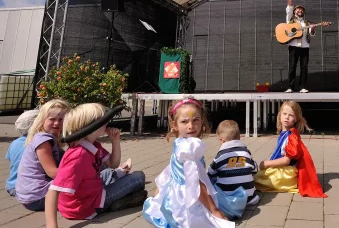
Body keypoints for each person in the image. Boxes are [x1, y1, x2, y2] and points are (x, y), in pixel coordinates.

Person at [45, 103, 146, 226]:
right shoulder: (78, 155)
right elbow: (53, 191)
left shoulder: (93, 145)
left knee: (111, 172)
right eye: (103, 120)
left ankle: (120, 200)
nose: (107, 123)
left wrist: (115, 140)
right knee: (139, 178)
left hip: (90, 191)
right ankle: (117, 203)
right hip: (85, 207)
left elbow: (113, 164)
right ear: (92, 126)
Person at [143, 97, 234, 228]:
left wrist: (160, 192)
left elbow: (171, 169)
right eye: (184, 121)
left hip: (178, 195)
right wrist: (214, 210)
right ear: (174, 125)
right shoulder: (189, 148)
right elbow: (195, 182)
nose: (191, 126)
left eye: (195, 120)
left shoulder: (181, 142)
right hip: (186, 201)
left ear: (202, 122)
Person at [254, 100, 326, 198]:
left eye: (291, 115)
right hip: (284, 170)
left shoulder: (291, 137)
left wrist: (267, 163)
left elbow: (286, 160)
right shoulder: (285, 134)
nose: (287, 117)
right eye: (284, 114)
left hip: (287, 172)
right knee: (259, 175)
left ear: (296, 119)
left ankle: (291, 182)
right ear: (280, 115)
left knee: (258, 180)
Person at [16, 99, 70, 211]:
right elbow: (52, 172)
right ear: (42, 120)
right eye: (52, 119)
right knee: (88, 192)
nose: (57, 123)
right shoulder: (43, 140)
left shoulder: (49, 138)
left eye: (61, 119)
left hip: (32, 196)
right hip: (37, 197)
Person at [208, 120, 259, 218]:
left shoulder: (220, 156)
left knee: (211, 180)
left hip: (228, 199)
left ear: (222, 140)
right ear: (239, 137)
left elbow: (210, 174)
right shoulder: (246, 153)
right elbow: (255, 170)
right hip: (250, 199)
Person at [283, 0, 315, 93]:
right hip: (293, 47)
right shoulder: (290, 20)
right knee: (292, 67)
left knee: (304, 68)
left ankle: (302, 87)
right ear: (295, 11)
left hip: (305, 48)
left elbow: (311, 34)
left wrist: (313, 29)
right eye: (298, 9)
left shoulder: (307, 23)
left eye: (302, 10)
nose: (300, 10)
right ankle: (290, 87)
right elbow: (289, 6)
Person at [5, 109, 40, 196]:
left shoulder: (14, 143)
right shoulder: (39, 144)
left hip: (11, 186)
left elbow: (11, 160)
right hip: (26, 189)